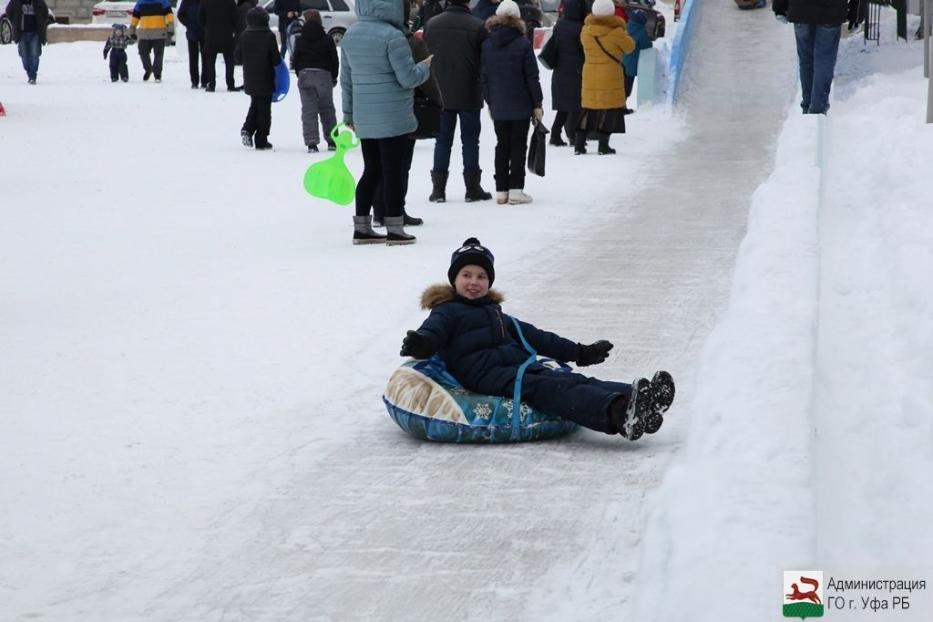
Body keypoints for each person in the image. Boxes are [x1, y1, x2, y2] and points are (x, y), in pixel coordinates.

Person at [399, 237, 676, 441]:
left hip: (517, 367)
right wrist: (420, 343)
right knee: (552, 390)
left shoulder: (496, 313)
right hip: (486, 375)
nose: (474, 282)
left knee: (573, 380)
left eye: (482, 276)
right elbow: (432, 333)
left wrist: (581, 352)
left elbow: (537, 337)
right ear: (454, 280)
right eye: (466, 275)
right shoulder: (447, 311)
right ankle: (619, 413)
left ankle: (640, 396)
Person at [340, 0, 432, 245]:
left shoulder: (350, 36)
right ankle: (395, 227)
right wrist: (425, 67)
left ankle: (362, 227)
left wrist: (348, 116)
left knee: (371, 170)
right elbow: (407, 78)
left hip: (364, 117)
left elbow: (346, 81)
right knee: (392, 171)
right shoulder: (393, 37)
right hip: (393, 117)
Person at [372, 2, 445, 228]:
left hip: (373, 108)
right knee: (401, 163)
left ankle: (378, 209)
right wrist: (438, 102)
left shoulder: (372, 39)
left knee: (377, 162)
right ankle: (395, 209)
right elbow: (427, 77)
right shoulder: (411, 41)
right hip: (404, 108)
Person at [423, 0, 493, 203]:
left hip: (440, 92)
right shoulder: (478, 25)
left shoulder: (432, 24)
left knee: (442, 141)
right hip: (469, 91)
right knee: (470, 141)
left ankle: (438, 190)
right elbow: (484, 61)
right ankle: (472, 188)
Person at [481, 0, 543, 205]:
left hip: (498, 104)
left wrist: (490, 101)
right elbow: (531, 77)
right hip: (521, 104)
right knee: (518, 145)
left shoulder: (487, 44)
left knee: (501, 145)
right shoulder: (523, 43)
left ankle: (501, 190)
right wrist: (537, 104)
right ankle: (516, 189)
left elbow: (484, 78)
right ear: (517, 18)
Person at [773, 0, 861, 115]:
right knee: (825, 59)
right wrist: (856, 13)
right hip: (831, 11)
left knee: (806, 60)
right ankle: (818, 108)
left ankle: (807, 104)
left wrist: (779, 7)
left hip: (801, 10)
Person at [575, 0, 633, 155]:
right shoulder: (616, 32)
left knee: (588, 109)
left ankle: (579, 145)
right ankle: (603, 146)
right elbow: (630, 47)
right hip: (610, 75)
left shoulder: (585, 31)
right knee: (609, 110)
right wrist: (622, 29)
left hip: (590, 74)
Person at [292, 9, 339, 153]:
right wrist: (333, 76)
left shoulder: (300, 39)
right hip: (324, 75)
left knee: (308, 110)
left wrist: (300, 73)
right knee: (327, 109)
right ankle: (332, 140)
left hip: (305, 75)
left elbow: (296, 59)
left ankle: (311, 143)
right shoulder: (327, 38)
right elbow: (334, 59)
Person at [234, 6, 280, 150]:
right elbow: (276, 60)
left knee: (255, 104)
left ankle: (247, 129)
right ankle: (261, 139)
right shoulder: (269, 36)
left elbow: (237, 57)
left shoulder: (244, 35)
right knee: (264, 110)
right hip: (266, 78)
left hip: (250, 78)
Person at [546, 0, 587, 146]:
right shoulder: (581, 28)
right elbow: (583, 49)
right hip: (576, 70)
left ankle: (555, 135)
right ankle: (573, 135)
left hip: (560, 69)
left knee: (563, 105)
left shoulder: (560, 25)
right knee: (576, 104)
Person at [4, 0, 50, 84]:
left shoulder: (38, 2)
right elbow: (8, 11)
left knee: (34, 54)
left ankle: (33, 76)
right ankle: (29, 72)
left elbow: (45, 13)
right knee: (24, 55)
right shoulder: (16, 2)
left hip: (35, 32)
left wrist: (41, 24)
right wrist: (15, 22)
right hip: (22, 33)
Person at [129, 0, 175, 82]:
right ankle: (148, 69)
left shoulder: (163, 2)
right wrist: (132, 30)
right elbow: (135, 17)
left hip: (159, 33)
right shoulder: (140, 2)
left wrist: (170, 30)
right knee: (142, 52)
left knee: (158, 55)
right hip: (144, 34)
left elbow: (169, 16)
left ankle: (157, 75)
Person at [200, 0, 239, 91]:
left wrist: (207, 28)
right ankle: (230, 85)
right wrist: (232, 28)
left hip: (211, 35)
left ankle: (212, 85)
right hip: (227, 35)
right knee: (229, 61)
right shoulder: (230, 2)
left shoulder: (206, 2)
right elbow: (236, 17)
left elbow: (200, 18)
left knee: (210, 62)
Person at [622, 8, 652, 113]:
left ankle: (620, 106)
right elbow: (647, 46)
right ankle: (622, 108)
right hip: (632, 64)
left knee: (620, 85)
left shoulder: (625, 27)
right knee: (627, 87)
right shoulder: (641, 32)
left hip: (621, 61)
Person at [176, 0, 205, 88]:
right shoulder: (187, 1)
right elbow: (180, 14)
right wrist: (188, 24)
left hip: (204, 32)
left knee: (206, 57)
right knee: (193, 58)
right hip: (192, 32)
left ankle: (205, 80)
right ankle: (194, 81)